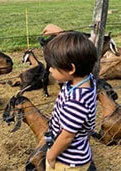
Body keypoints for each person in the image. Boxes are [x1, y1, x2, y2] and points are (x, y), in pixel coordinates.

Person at [43, 27, 98, 171]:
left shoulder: (77, 101)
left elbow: (67, 137)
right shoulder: (86, 77)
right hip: (71, 154)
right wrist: (61, 34)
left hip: (68, 162)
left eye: (53, 67)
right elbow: (82, 52)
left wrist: (51, 155)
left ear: (71, 69)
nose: (49, 70)